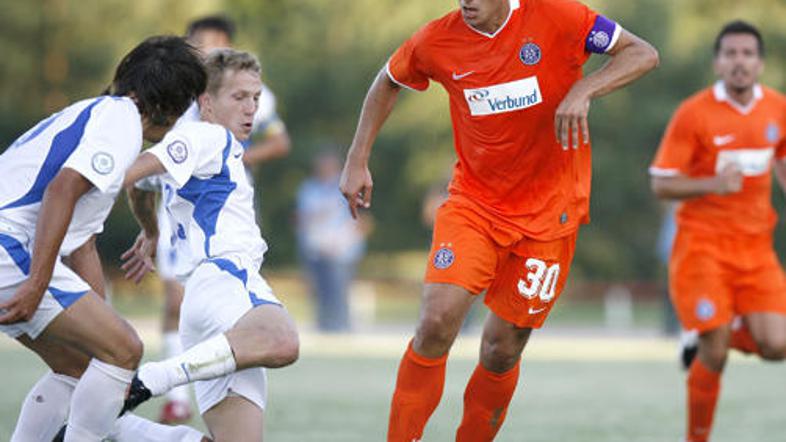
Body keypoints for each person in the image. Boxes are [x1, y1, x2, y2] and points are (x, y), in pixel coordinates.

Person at [340, 0, 659, 440]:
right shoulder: (436, 39)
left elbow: (642, 53)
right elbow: (388, 80)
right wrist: (357, 159)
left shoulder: (560, 16)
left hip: (550, 215)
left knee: (502, 350)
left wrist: (584, 90)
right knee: (435, 322)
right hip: (474, 205)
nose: (466, 1)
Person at [0, 36, 206, 441]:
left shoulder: (98, 115)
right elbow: (62, 189)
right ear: (173, 105)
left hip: (9, 248)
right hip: (8, 246)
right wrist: (37, 284)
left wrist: (102, 337)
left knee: (80, 369)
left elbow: (83, 245)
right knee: (126, 349)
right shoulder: (121, 122)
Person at [120, 48, 299, 442]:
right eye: (239, 97)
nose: (251, 108)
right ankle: (155, 377)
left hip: (204, 304)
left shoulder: (212, 144)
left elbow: (140, 183)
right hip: (226, 281)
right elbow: (130, 173)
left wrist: (150, 230)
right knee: (282, 340)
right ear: (206, 103)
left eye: (255, 97)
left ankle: (113, 428)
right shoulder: (208, 136)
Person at [650, 20, 786, 442]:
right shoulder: (694, 113)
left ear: (760, 63)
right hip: (702, 248)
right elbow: (661, 183)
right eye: (731, 54)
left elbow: (781, 155)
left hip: (756, 249)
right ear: (718, 62)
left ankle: (714, 331)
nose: (739, 62)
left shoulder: (777, 109)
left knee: (777, 346)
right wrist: (713, 183)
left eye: (747, 54)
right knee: (716, 351)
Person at [296, 148, 367, 332]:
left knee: (339, 289)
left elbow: (362, 219)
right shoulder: (309, 188)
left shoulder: (348, 187)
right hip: (316, 248)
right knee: (319, 290)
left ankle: (341, 326)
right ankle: (323, 326)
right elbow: (301, 218)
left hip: (342, 249)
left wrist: (348, 242)